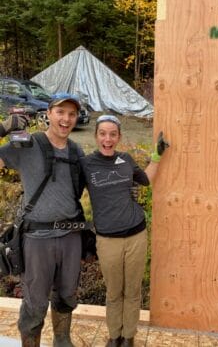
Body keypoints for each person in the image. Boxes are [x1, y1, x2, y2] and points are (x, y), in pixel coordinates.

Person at [0, 93, 86, 347]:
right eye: (60, 112)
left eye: (71, 114)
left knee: (67, 295)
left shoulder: (76, 149)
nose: (66, 119)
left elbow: (95, 182)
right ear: (48, 114)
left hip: (71, 237)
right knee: (35, 301)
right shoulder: (27, 142)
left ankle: (62, 341)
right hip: (37, 239)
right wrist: (4, 128)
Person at [80, 114, 169, 347]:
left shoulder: (126, 159)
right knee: (113, 292)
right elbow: (72, 191)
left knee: (132, 290)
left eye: (112, 134)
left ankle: (128, 336)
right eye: (102, 133)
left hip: (136, 234)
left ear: (119, 137)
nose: (107, 139)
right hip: (108, 239)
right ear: (96, 136)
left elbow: (146, 180)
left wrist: (157, 156)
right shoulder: (87, 164)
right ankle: (114, 335)